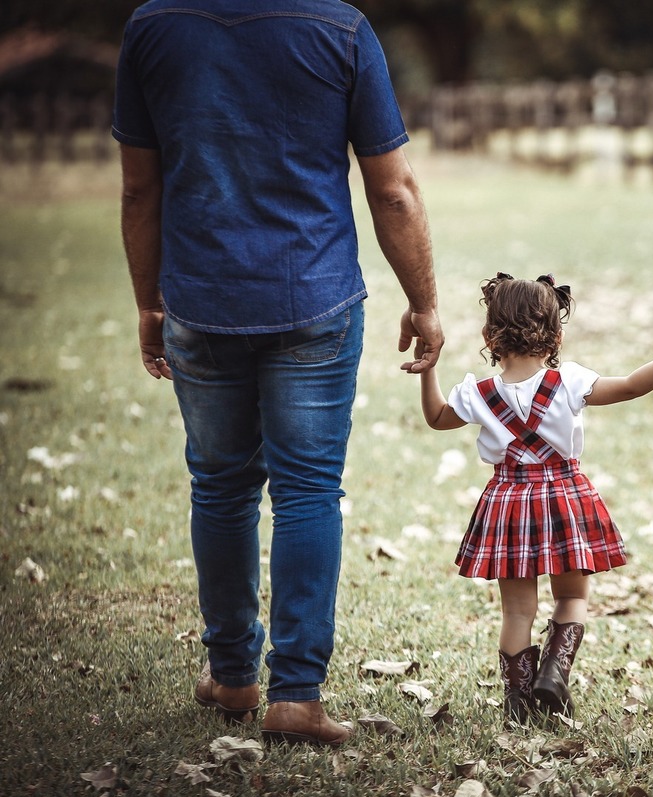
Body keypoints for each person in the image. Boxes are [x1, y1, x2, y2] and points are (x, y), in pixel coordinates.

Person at [113, 0, 442, 747]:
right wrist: (424, 303)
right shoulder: (340, 29)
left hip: (199, 299)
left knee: (221, 485)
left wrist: (147, 302)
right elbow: (392, 187)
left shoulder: (153, 28)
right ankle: (296, 695)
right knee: (308, 489)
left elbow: (139, 186)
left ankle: (232, 676)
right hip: (314, 299)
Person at [412, 273, 653, 723]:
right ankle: (554, 672)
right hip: (566, 498)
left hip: (508, 501)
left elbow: (435, 417)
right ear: (557, 335)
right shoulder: (568, 382)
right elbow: (631, 385)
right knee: (571, 598)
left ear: (489, 336)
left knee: (516, 610)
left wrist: (428, 364)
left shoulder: (477, 393)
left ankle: (518, 701)